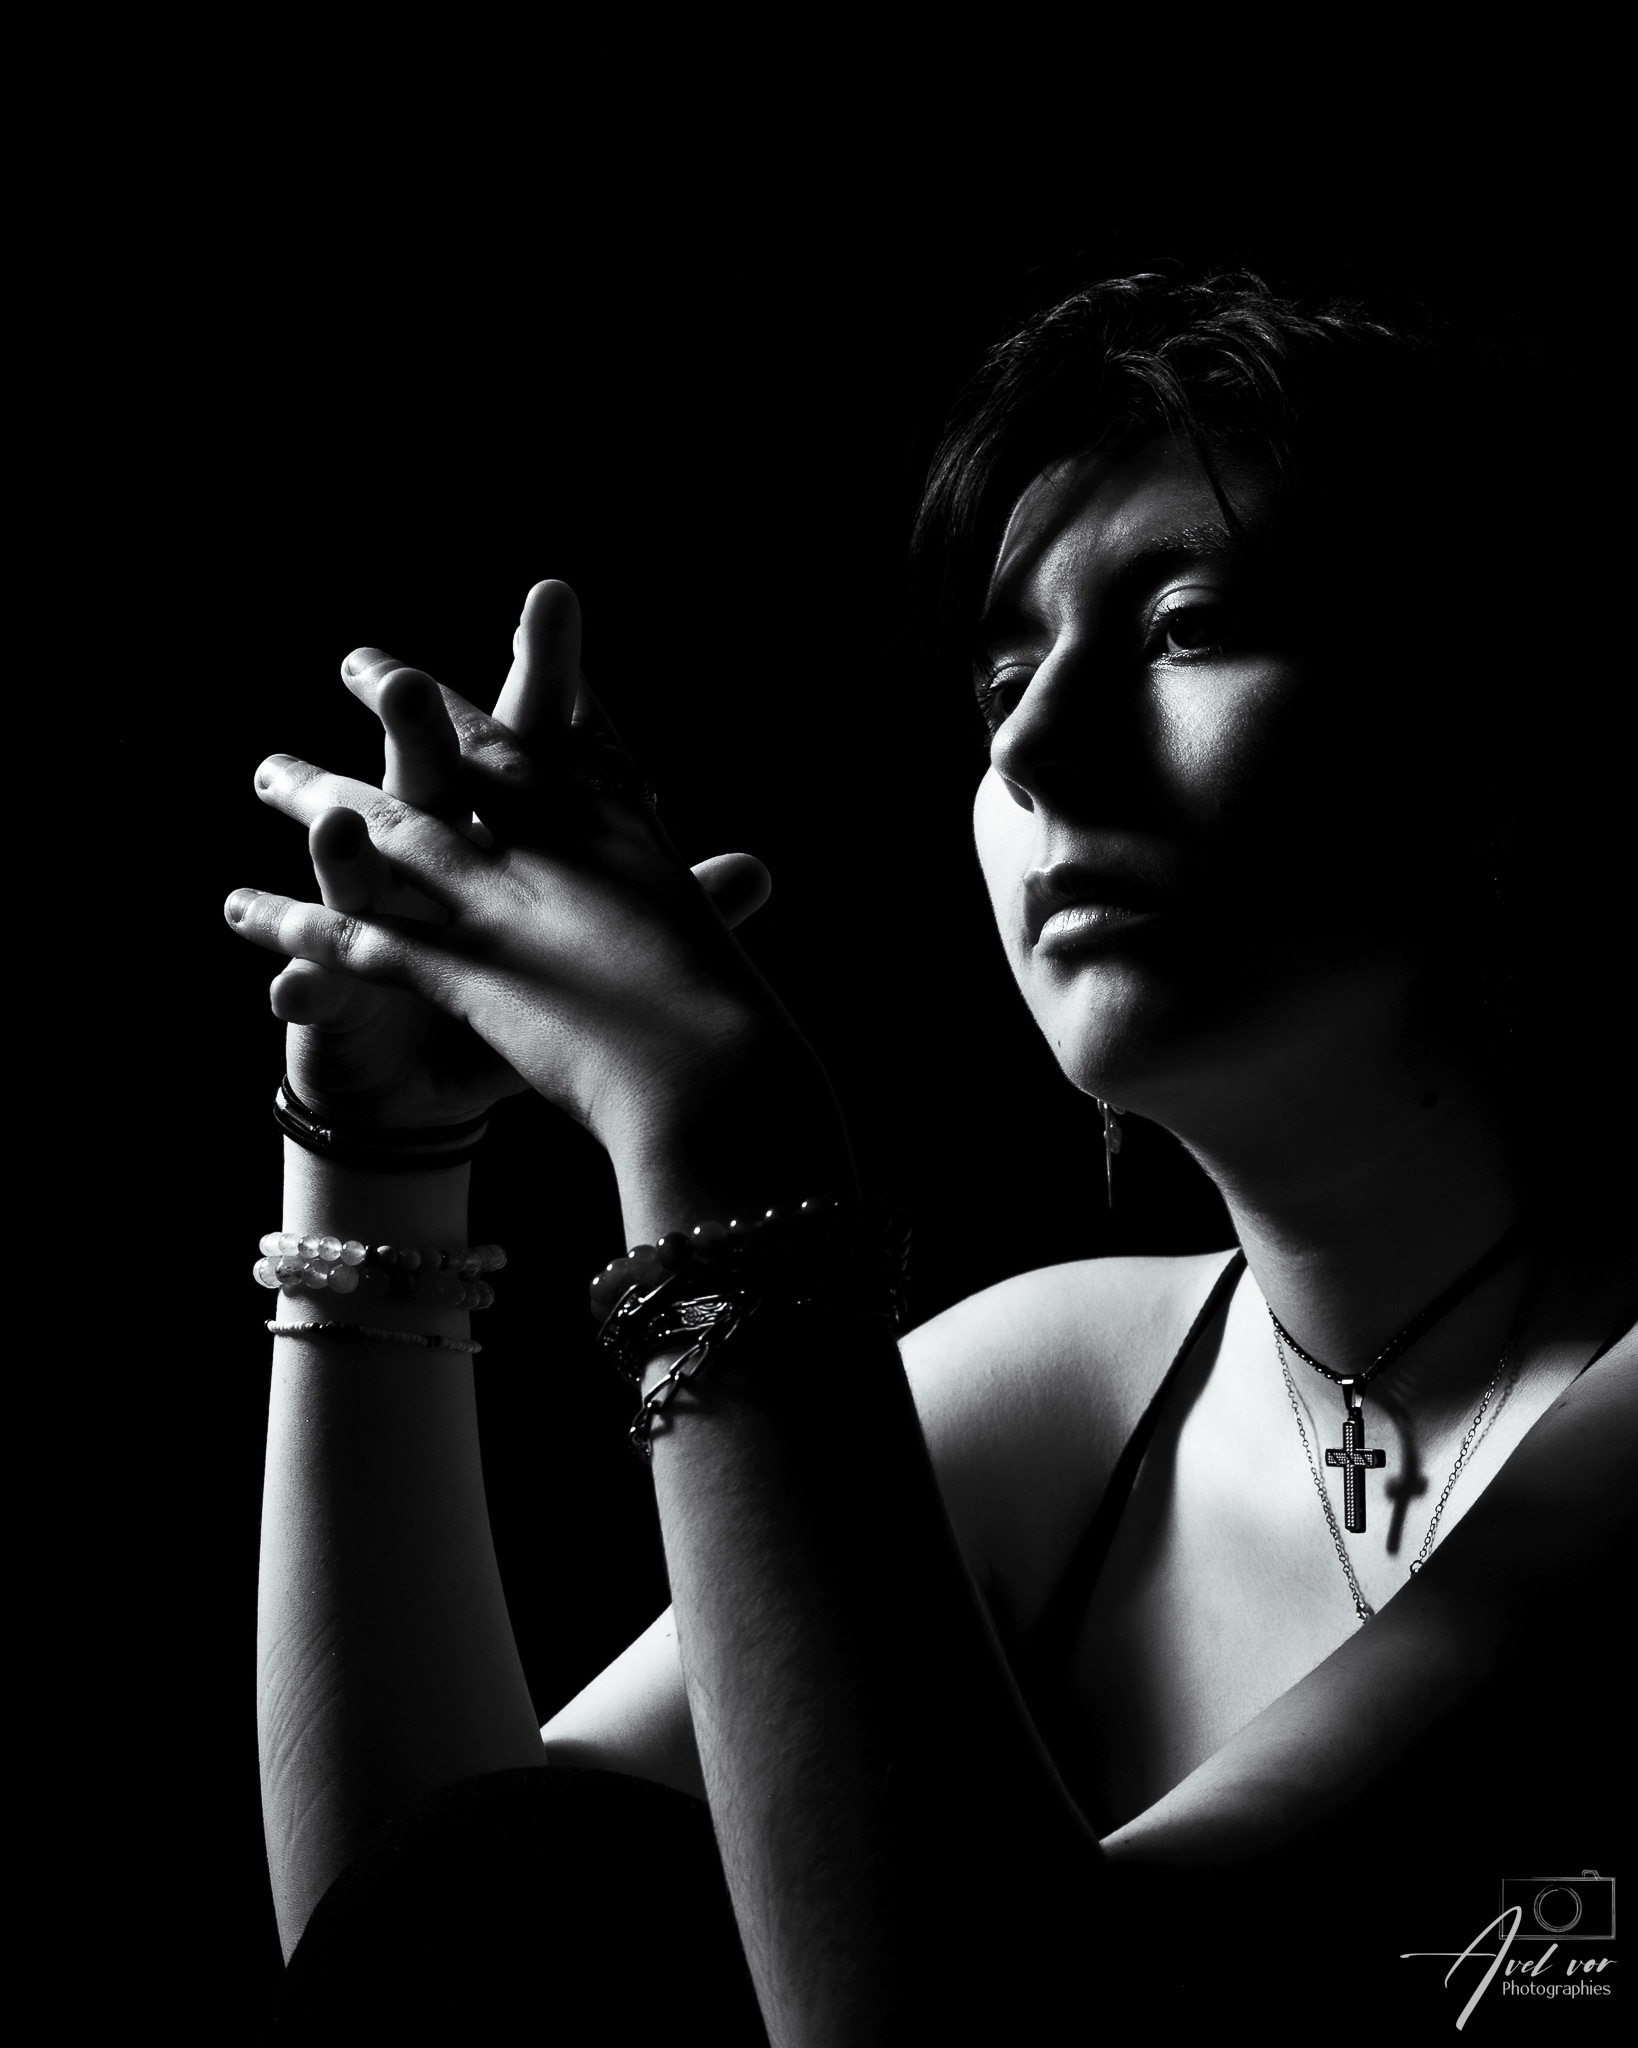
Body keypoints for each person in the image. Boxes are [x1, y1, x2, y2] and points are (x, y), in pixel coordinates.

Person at [227, 272, 1634, 2041]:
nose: (1031, 746)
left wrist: (717, 1133)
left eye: (1186, 625)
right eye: (1003, 675)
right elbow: (425, 1944)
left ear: (1489, 731)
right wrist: (375, 1156)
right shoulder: (1061, 1376)